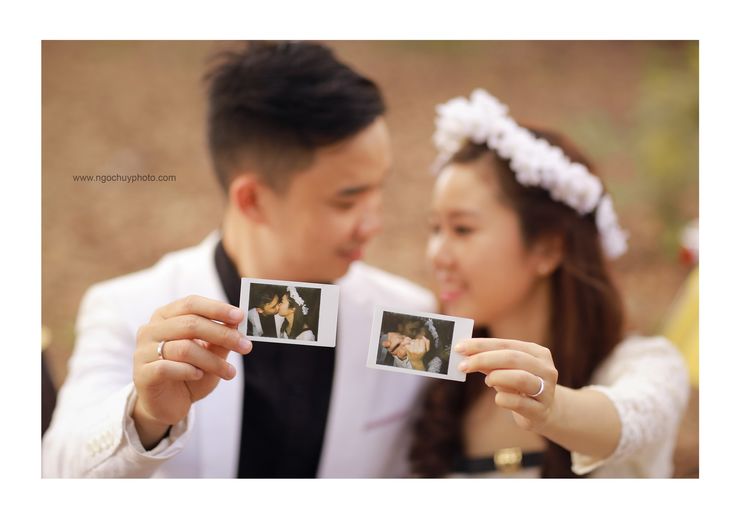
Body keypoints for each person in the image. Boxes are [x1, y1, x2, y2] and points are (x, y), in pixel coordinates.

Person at [42, 41, 435, 478]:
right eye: (347, 201)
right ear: (252, 200)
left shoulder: (409, 320)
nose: (374, 224)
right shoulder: (128, 310)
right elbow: (55, 470)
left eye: (379, 188)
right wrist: (146, 416)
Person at [409, 89, 690, 478]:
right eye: (435, 229)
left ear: (547, 248)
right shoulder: (437, 365)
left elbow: (631, 420)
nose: (437, 255)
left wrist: (552, 408)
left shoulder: (649, 366)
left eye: (462, 229)